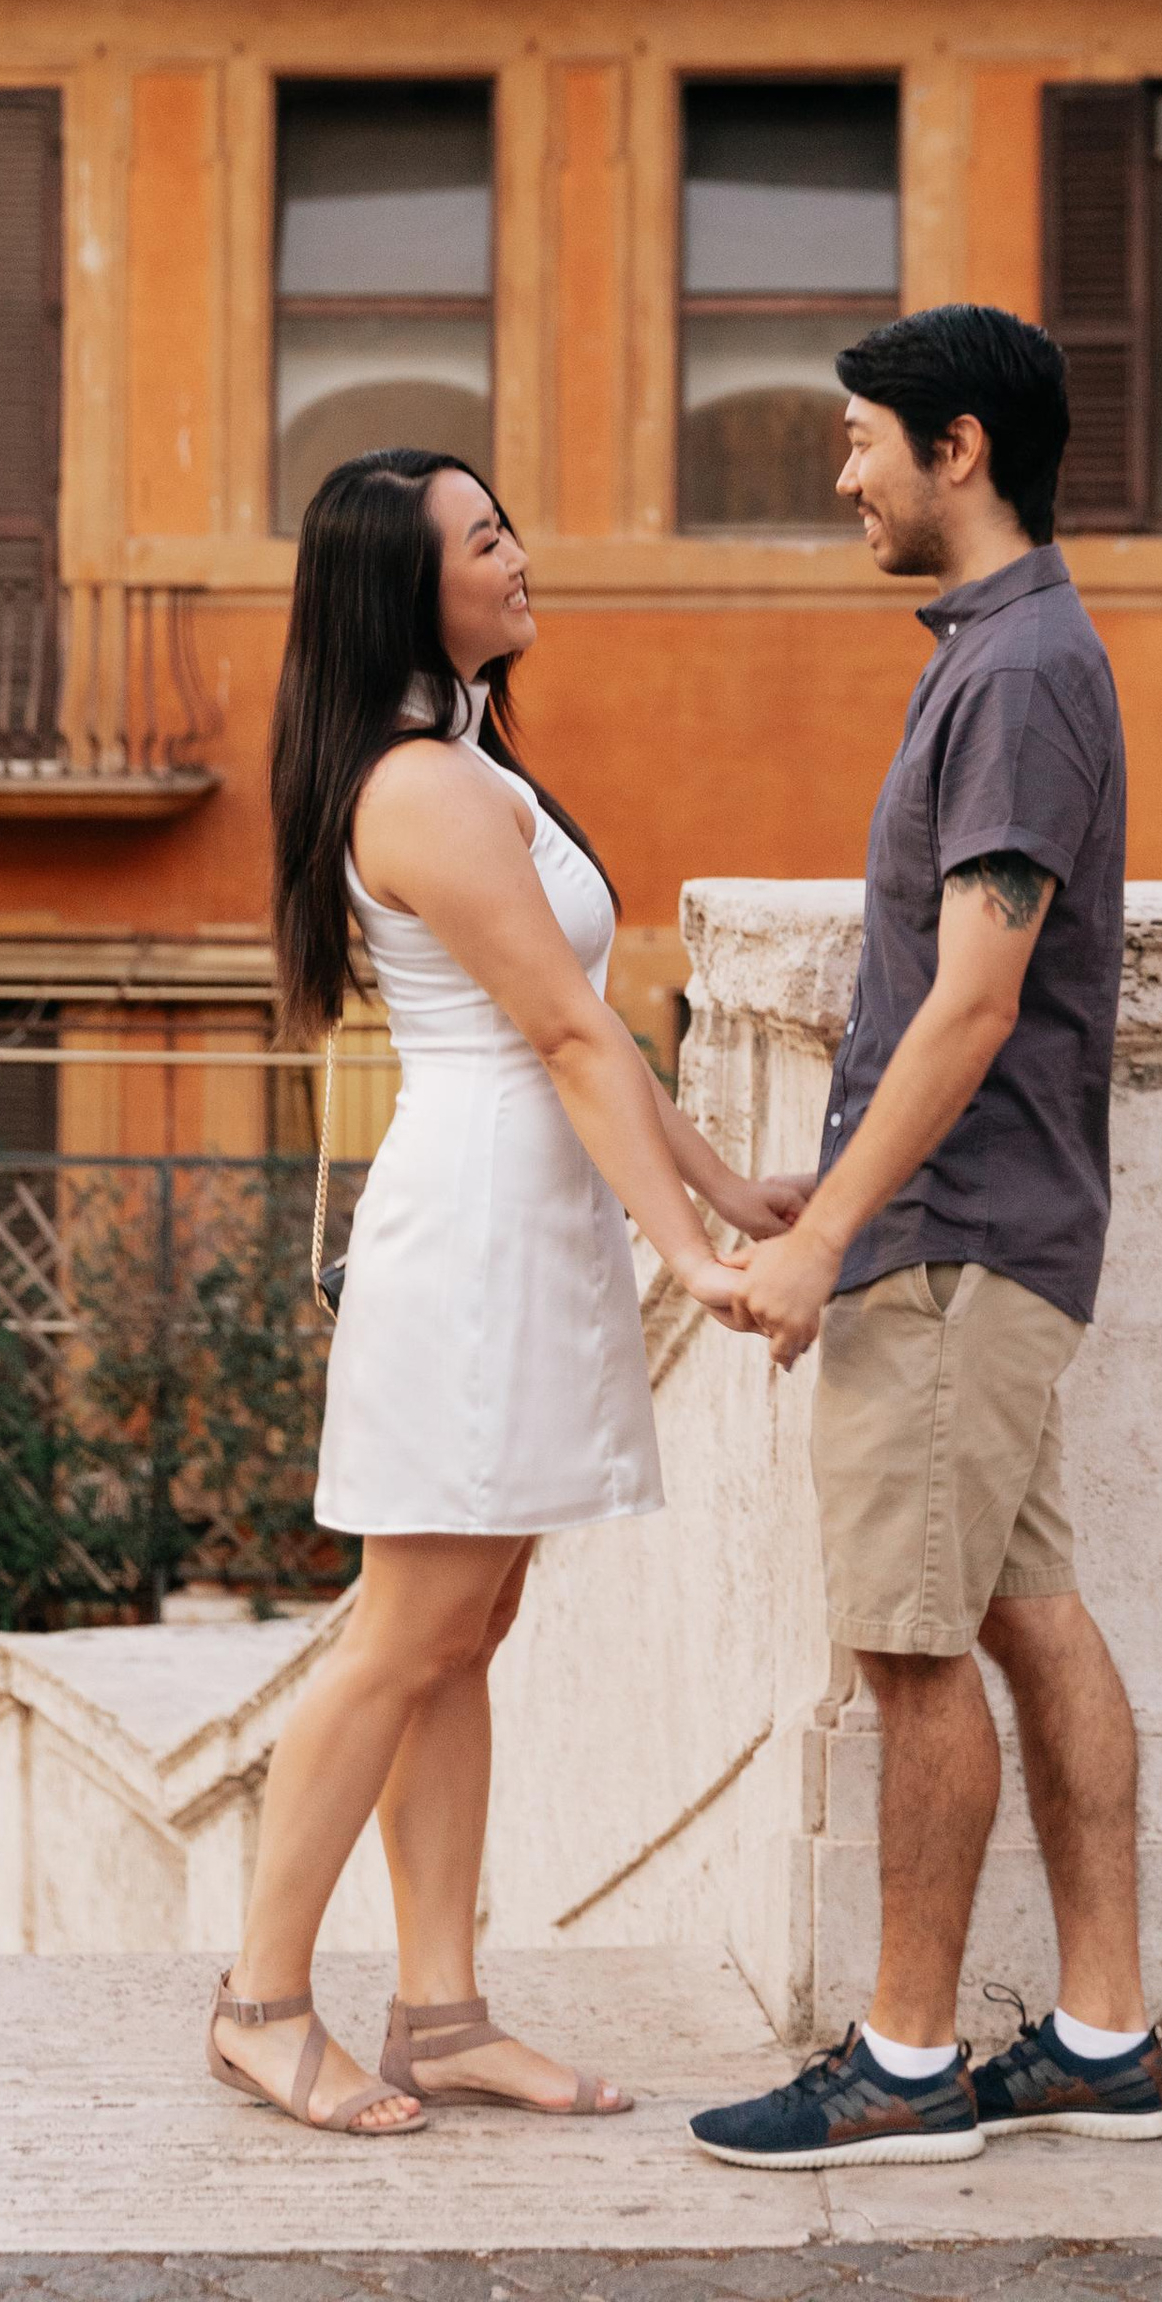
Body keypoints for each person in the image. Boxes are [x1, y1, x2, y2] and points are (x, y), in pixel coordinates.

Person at [207, 446, 802, 2139]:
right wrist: (694, 1257)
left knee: (467, 1633)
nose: (519, 553)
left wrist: (723, 1190)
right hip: (473, 1238)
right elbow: (557, 1036)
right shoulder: (421, 787)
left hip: (523, 1224)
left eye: (506, 525)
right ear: (409, 589)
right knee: (402, 1636)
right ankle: (258, 2003)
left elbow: (590, 1026)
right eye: (483, 539)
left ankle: (444, 2012)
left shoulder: (465, 760)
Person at [689, 304, 1162, 2175]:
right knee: (1028, 1617)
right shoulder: (1006, 652)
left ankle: (904, 2063)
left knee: (910, 1656)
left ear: (956, 449)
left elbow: (975, 996)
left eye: (860, 439)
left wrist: (831, 1236)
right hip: (978, 1226)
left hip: (957, 1242)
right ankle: (1105, 2041)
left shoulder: (1023, 672)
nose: (845, 476)